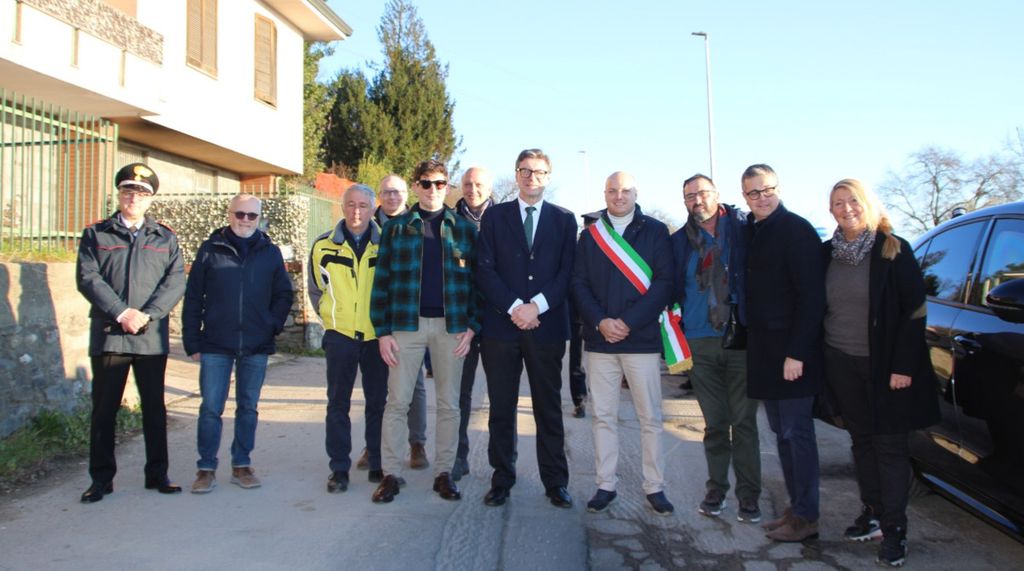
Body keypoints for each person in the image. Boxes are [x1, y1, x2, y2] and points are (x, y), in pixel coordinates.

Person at [823, 178, 940, 567]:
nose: (847, 208)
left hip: (887, 367)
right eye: (838, 203)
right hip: (841, 362)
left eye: (853, 200)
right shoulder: (826, 254)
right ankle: (872, 513)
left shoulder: (894, 249)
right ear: (831, 210)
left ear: (867, 204)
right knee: (861, 441)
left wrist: (903, 366)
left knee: (889, 447)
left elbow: (915, 311)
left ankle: (895, 530)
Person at [369, 160, 479, 503]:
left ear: (447, 187)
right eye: (427, 183)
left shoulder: (464, 229)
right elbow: (381, 282)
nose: (433, 189)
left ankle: (443, 473)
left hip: (451, 328)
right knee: (397, 402)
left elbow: (478, 284)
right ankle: (391, 474)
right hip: (405, 325)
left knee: (449, 405)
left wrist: (472, 326)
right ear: (416, 186)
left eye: (440, 183)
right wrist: (383, 331)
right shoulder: (396, 229)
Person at [75, 162, 186, 503]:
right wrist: (122, 313)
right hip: (111, 334)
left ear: (150, 199)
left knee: (154, 409)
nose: (133, 198)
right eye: (128, 191)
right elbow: (88, 278)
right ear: (119, 194)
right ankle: (101, 479)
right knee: (104, 410)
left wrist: (146, 315)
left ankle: (157, 474)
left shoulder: (165, 237)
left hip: (150, 336)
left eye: (141, 193)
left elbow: (174, 282)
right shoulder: (96, 234)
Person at [476, 148, 577, 508]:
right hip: (501, 329)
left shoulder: (565, 220)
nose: (532, 177)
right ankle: (502, 478)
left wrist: (537, 306)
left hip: (546, 328)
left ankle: (555, 482)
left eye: (539, 171)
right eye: (525, 170)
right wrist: (515, 307)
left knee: (548, 408)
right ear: (516, 174)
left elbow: (567, 272)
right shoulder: (494, 217)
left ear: (548, 176)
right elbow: (484, 269)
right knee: (501, 408)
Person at [572, 171, 675, 516]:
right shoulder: (590, 236)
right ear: (604, 194)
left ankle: (655, 486)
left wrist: (629, 322)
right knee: (603, 417)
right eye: (613, 190)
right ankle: (605, 484)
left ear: (635, 193)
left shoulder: (656, 231)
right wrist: (600, 321)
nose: (619, 196)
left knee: (650, 418)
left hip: (641, 339)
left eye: (625, 190)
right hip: (600, 340)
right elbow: (578, 283)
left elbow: (664, 283)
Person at [182, 194, 294, 493]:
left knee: (248, 407)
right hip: (216, 343)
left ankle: (242, 464)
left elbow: (284, 294)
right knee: (210, 408)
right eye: (239, 214)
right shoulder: (210, 250)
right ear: (229, 214)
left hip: (256, 343)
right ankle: (206, 468)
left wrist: (271, 325)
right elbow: (193, 297)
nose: (245, 220)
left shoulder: (270, 252)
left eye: (251, 215)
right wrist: (192, 340)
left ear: (259, 218)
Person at [741, 164, 825, 542]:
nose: (762, 198)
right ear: (745, 197)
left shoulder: (797, 230)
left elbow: (812, 298)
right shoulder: (752, 230)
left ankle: (807, 517)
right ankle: (795, 510)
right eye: (753, 193)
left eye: (767, 190)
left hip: (793, 355)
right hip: (765, 353)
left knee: (797, 435)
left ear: (778, 188)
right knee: (781, 435)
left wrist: (797, 352)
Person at [672, 174, 762, 522]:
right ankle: (716, 488)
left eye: (703, 193)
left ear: (717, 194)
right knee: (714, 422)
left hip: (740, 338)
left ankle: (749, 496)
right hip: (698, 341)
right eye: (689, 196)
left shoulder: (743, 230)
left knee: (744, 422)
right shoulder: (678, 241)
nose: (697, 200)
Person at [308, 184, 390, 493]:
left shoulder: (386, 245)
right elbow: (316, 288)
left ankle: (377, 462)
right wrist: (330, 319)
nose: (357, 211)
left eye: (363, 206)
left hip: (376, 335)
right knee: (338, 403)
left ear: (372, 209)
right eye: (351, 205)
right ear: (342, 208)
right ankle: (339, 469)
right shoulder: (323, 246)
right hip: (340, 336)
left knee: (377, 403)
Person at [361, 174, 430, 472]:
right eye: (387, 191)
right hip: (371, 320)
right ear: (379, 195)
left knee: (413, 386)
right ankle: (373, 446)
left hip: (406, 318)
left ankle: (417, 443)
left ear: (407, 193)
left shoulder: (417, 224)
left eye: (398, 191)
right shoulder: (365, 225)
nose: (392, 197)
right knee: (377, 388)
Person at [451, 166, 495, 481]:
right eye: (467, 183)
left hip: (497, 322)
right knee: (458, 396)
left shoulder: (505, 220)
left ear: (490, 188)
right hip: (461, 323)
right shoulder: (449, 222)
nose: (472, 189)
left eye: (479, 184)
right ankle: (457, 457)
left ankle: (503, 464)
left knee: (501, 396)